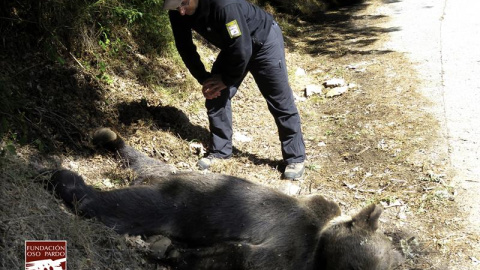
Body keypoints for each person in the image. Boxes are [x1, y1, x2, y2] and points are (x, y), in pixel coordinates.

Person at [163, 0, 306, 179]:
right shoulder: (177, 11)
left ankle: (295, 158)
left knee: (279, 100)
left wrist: (227, 79)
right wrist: (205, 78)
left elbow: (243, 47)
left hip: (264, 41)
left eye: (183, 4)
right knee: (215, 93)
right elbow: (184, 47)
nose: (181, 11)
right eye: (176, 7)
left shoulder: (224, 5)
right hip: (235, 46)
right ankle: (221, 152)